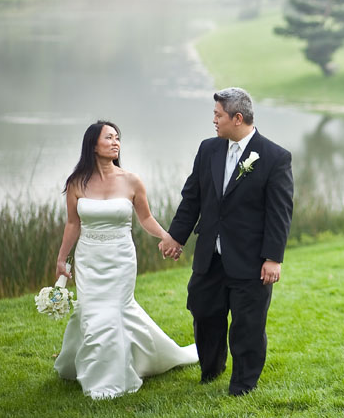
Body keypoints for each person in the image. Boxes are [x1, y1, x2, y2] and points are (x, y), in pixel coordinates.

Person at [161, 87, 294, 396]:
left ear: (237, 118)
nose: (214, 121)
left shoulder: (274, 157)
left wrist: (273, 258)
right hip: (210, 255)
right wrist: (176, 236)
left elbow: (279, 213)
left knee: (248, 324)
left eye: (218, 115)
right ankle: (211, 369)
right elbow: (192, 198)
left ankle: (243, 385)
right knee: (204, 312)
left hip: (250, 259)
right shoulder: (208, 149)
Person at [53, 120, 198, 400]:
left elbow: (145, 218)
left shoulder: (132, 180)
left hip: (120, 257)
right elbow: (73, 224)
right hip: (89, 258)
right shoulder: (76, 183)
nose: (115, 142)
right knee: (92, 312)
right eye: (109, 137)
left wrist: (167, 237)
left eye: (117, 137)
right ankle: (92, 367)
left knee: (115, 312)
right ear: (93, 145)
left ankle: (111, 379)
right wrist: (62, 259)